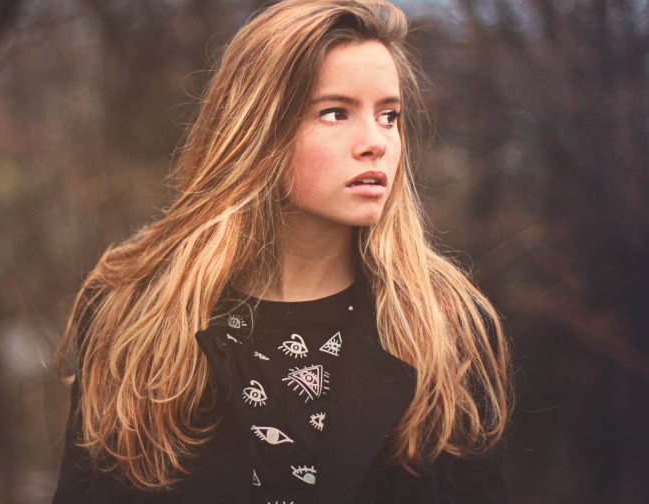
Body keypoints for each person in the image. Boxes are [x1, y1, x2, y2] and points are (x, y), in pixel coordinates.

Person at [52, 0, 512, 502]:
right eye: (335, 113)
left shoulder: (445, 323)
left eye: (389, 115)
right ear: (258, 129)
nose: (375, 142)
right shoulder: (132, 313)